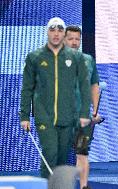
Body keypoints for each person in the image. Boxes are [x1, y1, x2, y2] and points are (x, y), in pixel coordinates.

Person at [20, 17, 91, 179]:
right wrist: (24, 116)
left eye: (60, 30)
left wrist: (84, 113)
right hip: (44, 116)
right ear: (47, 32)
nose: (56, 34)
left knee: (61, 156)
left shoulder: (75, 58)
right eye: (52, 30)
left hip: (68, 116)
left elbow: (84, 87)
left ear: (64, 33)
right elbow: (27, 88)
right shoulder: (35, 57)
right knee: (50, 152)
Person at [64, 25, 101, 189]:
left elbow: (94, 86)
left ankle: (83, 186)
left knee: (82, 153)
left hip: (83, 118)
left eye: (77, 39)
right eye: (70, 38)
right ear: (64, 39)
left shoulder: (88, 60)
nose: (74, 42)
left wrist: (95, 111)